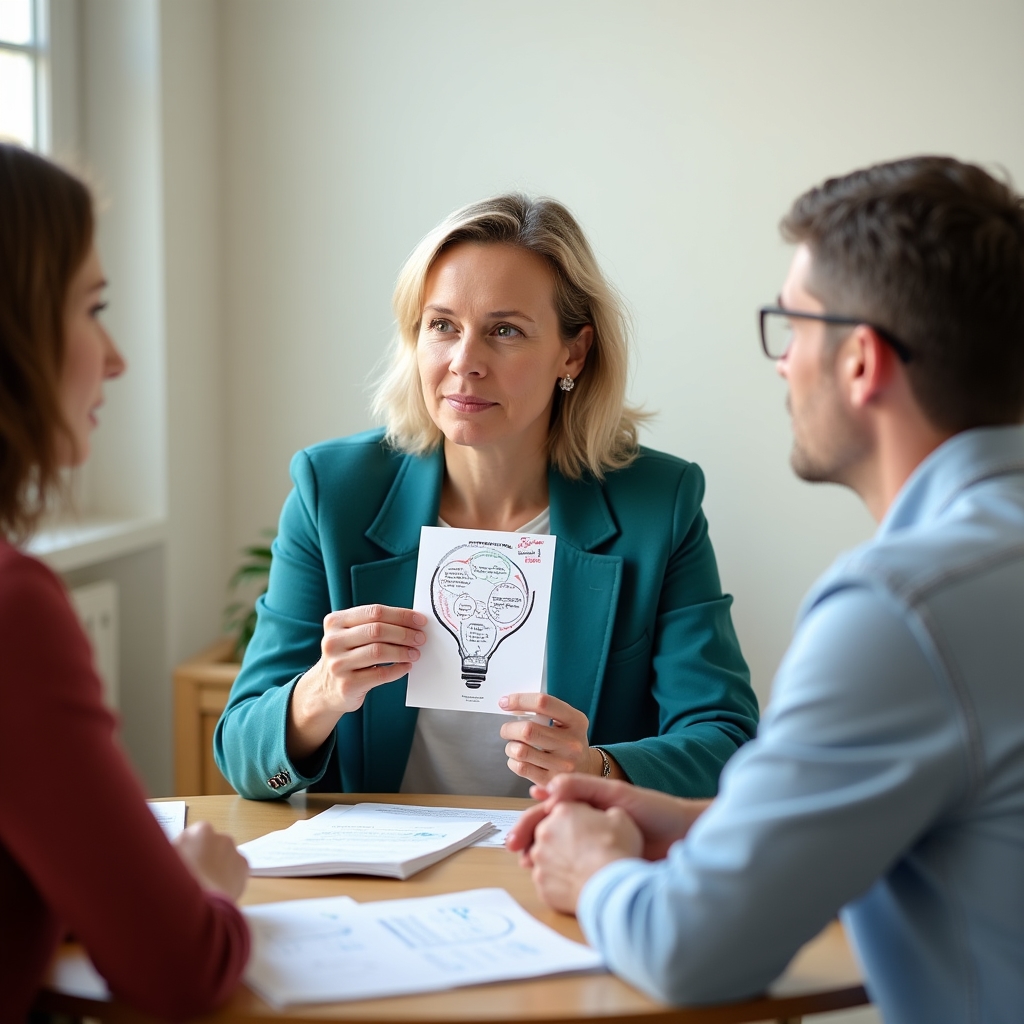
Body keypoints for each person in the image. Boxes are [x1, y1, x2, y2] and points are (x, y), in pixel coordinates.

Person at [507, 156, 1024, 1023]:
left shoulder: (900, 612)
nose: (783, 364)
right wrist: (697, 822)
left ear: (860, 361)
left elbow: (691, 950)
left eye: (793, 326)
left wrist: (594, 868)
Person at [215, 194, 758, 801]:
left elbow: (727, 739)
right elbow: (243, 758)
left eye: (505, 330)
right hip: (386, 881)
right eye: (442, 325)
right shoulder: (334, 493)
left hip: (563, 868)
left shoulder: (658, 505)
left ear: (572, 352)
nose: (464, 363)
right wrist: (320, 693)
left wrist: (599, 768)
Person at [0, 143, 250, 1021]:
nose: (116, 359)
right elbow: (178, 968)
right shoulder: (11, 608)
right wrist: (206, 888)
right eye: (92, 308)